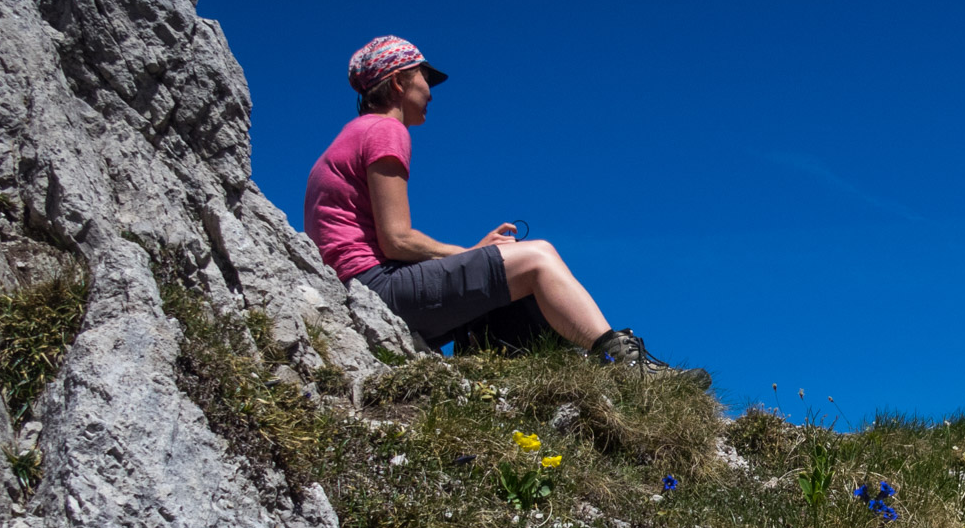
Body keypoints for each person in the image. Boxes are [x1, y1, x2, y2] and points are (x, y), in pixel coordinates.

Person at [303, 36, 707, 383]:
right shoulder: (384, 130)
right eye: (425, 76)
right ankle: (621, 362)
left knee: (511, 281)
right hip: (376, 289)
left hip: (360, 290)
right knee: (537, 256)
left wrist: (479, 257)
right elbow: (397, 240)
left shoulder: (352, 135)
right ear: (397, 82)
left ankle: (565, 364)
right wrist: (475, 255)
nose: (431, 89)